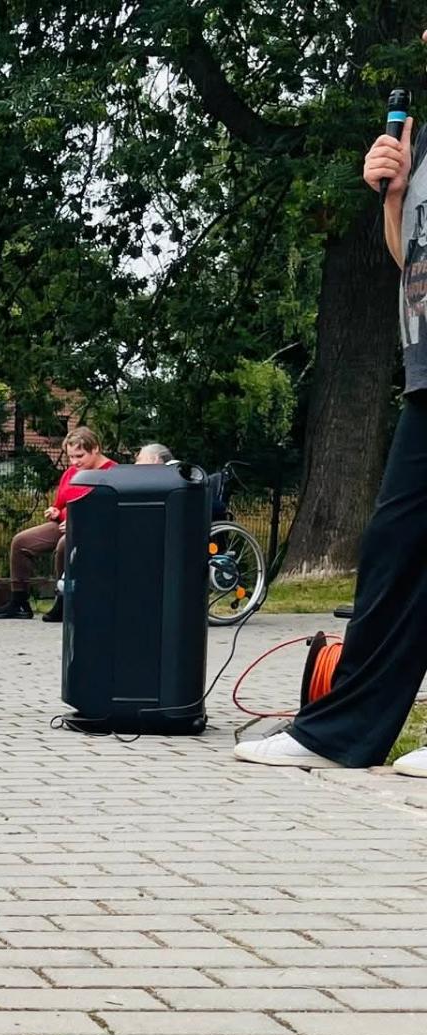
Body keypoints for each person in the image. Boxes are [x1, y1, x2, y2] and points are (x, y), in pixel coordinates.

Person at [236, 81, 427, 777]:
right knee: (393, 549)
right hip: (425, 371)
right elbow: (408, 260)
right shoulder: (419, 137)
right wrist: (395, 196)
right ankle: (341, 732)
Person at [0, 427, 114, 621]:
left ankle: (64, 601)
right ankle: (19, 601)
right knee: (21, 541)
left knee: (64, 544)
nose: (74, 462)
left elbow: (108, 511)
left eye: (79, 456)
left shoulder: (112, 473)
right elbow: (60, 503)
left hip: (91, 529)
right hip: (65, 523)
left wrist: (77, 522)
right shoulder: (72, 472)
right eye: (70, 457)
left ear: (95, 448)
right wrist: (55, 511)